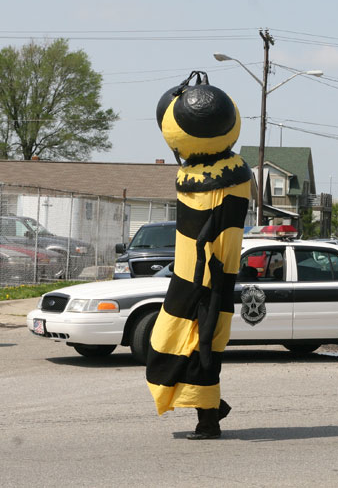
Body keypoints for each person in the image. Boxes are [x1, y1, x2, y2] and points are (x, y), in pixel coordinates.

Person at [146, 72, 251, 439]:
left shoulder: (231, 176)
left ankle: (209, 418)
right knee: (172, 343)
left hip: (208, 280)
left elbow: (216, 231)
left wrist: (205, 280)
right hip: (195, 277)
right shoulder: (206, 173)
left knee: (201, 347)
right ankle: (212, 408)